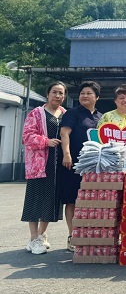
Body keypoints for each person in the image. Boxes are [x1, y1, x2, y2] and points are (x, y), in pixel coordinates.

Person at [21, 81, 67, 255]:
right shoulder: (36, 113)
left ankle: (41, 235)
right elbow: (27, 136)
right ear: (48, 94)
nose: (57, 96)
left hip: (57, 165)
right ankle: (33, 238)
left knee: (50, 200)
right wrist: (45, 141)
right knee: (35, 199)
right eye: (54, 92)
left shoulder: (65, 114)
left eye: (61, 93)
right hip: (39, 165)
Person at [60, 81, 102, 251]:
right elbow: (64, 133)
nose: (85, 96)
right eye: (82, 93)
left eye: (89, 93)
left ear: (97, 97)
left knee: (90, 200)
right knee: (72, 199)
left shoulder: (101, 117)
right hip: (73, 164)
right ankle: (72, 236)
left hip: (94, 166)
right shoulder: (72, 113)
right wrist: (67, 154)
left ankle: (88, 235)